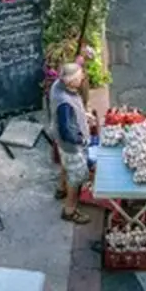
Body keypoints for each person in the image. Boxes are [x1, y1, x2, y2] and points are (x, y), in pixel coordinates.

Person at [49, 63, 92, 225]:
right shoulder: (65, 103)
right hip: (71, 146)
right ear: (70, 82)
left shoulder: (56, 86)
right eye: (80, 78)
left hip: (59, 140)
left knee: (66, 164)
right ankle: (70, 210)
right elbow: (67, 132)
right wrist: (81, 140)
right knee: (77, 177)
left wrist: (83, 114)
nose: (82, 80)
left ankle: (61, 188)